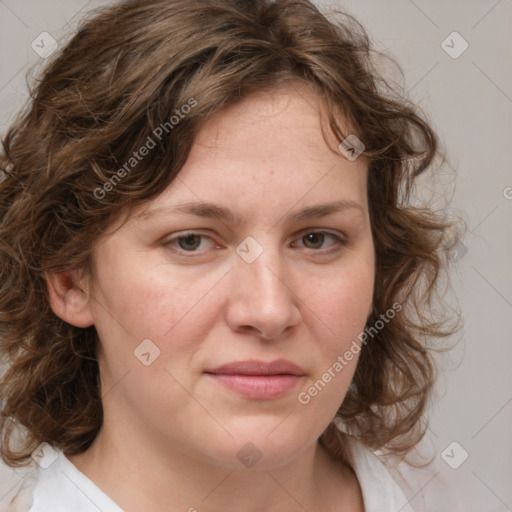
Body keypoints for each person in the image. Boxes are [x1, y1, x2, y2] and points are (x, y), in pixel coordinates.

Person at [0, 0, 461, 510]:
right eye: (192, 241)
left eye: (316, 239)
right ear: (69, 278)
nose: (269, 311)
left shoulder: (441, 495)